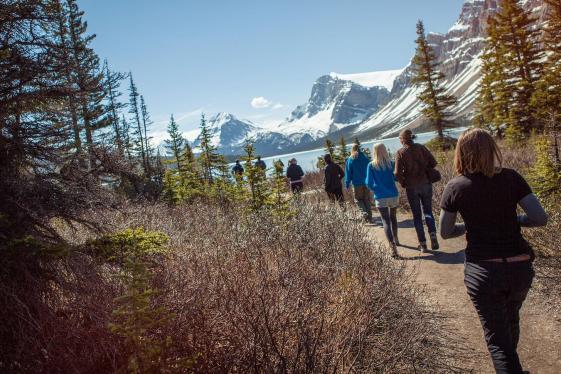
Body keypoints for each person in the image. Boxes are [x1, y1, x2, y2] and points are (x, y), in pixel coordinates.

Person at [439, 128, 548, 374]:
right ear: (492, 150)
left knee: (498, 342)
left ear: (461, 153)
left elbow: (445, 232)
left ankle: (510, 366)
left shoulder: (456, 186)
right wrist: (516, 221)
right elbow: (540, 218)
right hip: (519, 268)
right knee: (511, 319)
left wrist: (471, 225)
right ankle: (513, 365)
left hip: (483, 273)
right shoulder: (512, 178)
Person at [394, 129, 439, 252]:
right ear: (412, 137)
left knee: (417, 215)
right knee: (428, 211)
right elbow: (434, 163)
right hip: (426, 183)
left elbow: (397, 173)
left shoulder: (400, 153)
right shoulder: (421, 147)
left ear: (403, 139)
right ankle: (433, 235)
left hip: (411, 187)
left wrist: (403, 182)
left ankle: (423, 244)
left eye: (400, 138)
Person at [366, 143, 399, 258]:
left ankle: (392, 248)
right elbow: (396, 178)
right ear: (385, 151)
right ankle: (397, 239)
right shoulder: (392, 163)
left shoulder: (371, 165)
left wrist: (376, 189)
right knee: (393, 217)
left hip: (380, 196)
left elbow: (368, 183)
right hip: (393, 195)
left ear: (374, 152)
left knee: (385, 221)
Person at [345, 144, 373, 223]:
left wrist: (347, 184)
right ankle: (370, 218)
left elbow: (348, 173)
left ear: (352, 150)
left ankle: (365, 215)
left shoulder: (350, 159)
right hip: (366, 183)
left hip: (357, 184)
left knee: (358, 200)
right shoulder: (365, 158)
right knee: (366, 199)